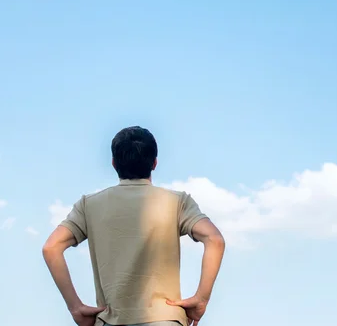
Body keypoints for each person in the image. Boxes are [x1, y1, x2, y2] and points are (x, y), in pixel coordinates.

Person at [42, 126, 226, 326]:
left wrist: (75, 306)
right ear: (154, 163)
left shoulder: (89, 205)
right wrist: (201, 298)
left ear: (113, 163)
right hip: (165, 319)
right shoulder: (178, 202)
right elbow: (214, 239)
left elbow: (51, 247)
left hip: (111, 320)